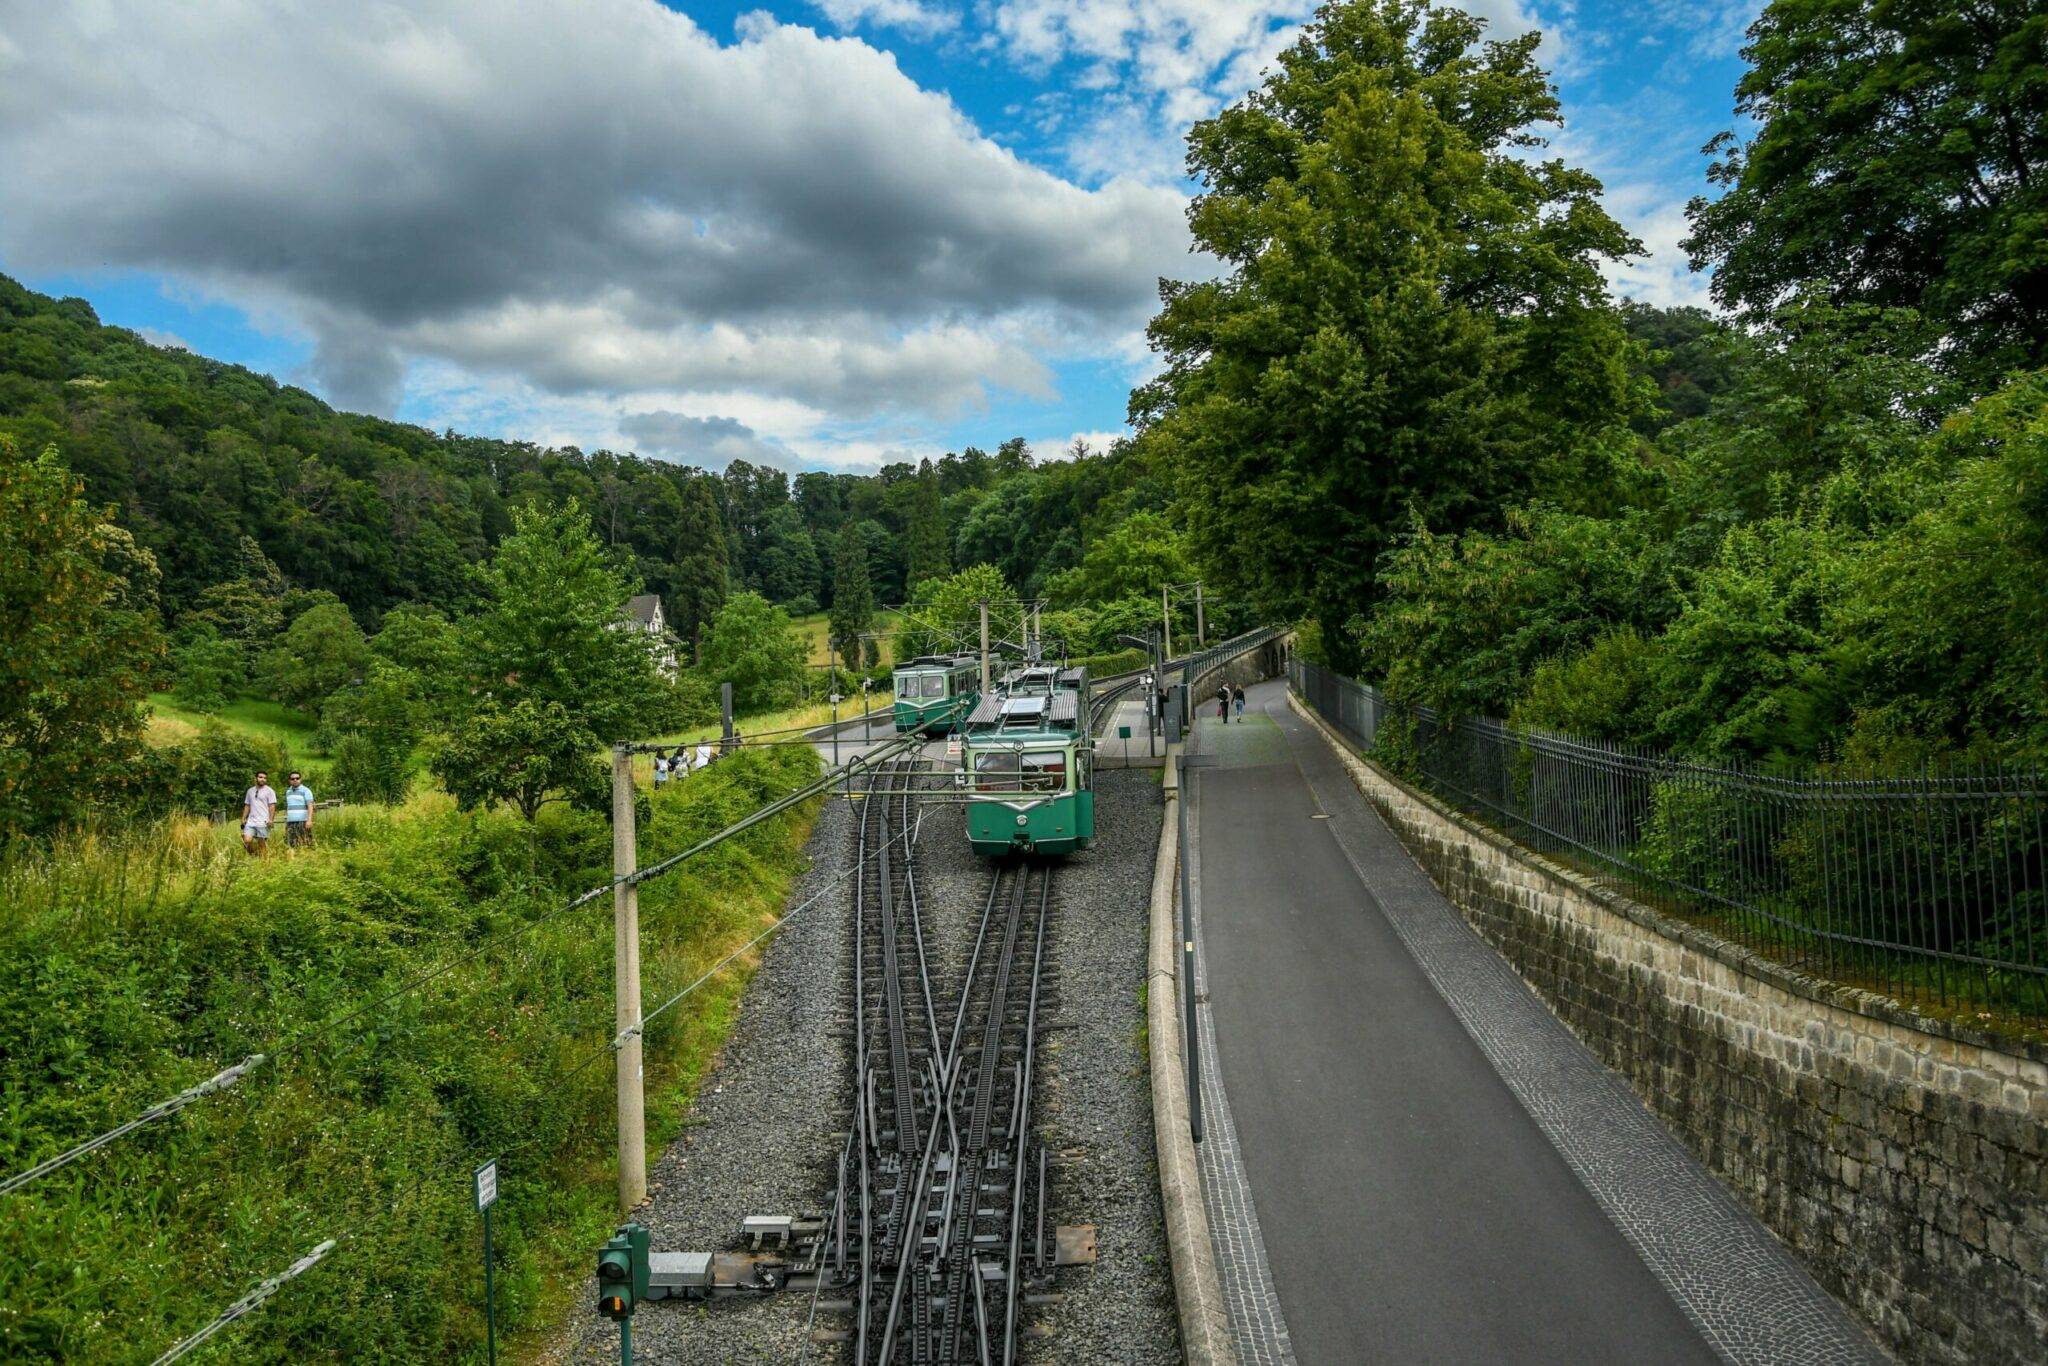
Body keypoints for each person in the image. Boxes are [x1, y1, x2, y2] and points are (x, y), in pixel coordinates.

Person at [241, 770, 277, 857]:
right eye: (260, 777)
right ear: (256, 778)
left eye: (265, 778)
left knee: (262, 844)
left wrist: (271, 820)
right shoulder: (250, 791)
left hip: (263, 821)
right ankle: (254, 856)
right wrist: (243, 818)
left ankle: (264, 862)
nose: (263, 779)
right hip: (251, 821)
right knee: (246, 841)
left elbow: (272, 806)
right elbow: (247, 805)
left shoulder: (270, 791)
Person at [282, 771, 315, 850]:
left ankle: (308, 858)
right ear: (289, 780)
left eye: (297, 778)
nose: (295, 780)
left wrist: (309, 820)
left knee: (305, 842)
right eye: (292, 778)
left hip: (303, 821)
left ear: (300, 779)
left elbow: (310, 806)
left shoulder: (306, 791)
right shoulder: (288, 792)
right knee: (291, 843)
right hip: (291, 822)